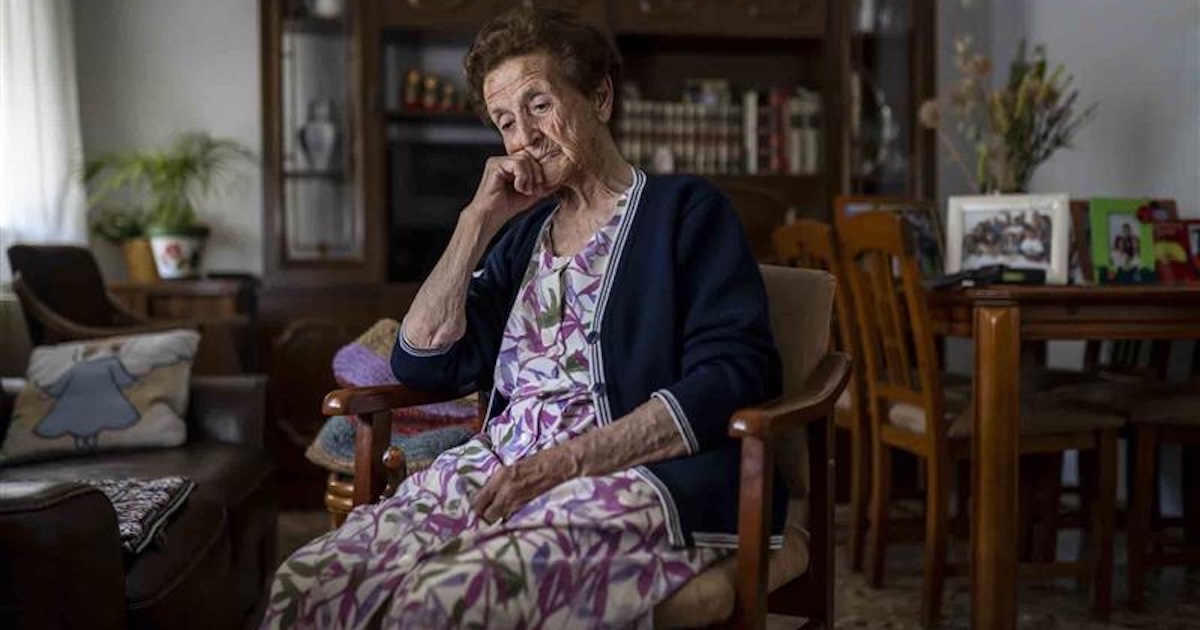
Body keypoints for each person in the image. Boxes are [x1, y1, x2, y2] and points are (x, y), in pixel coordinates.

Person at [260, 7, 782, 629]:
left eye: (538, 105)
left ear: (600, 96)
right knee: (307, 581)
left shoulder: (684, 213)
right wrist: (475, 222)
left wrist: (565, 463)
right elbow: (420, 362)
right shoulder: (522, 235)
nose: (524, 136)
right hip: (498, 465)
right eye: (506, 122)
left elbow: (737, 372)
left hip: (631, 473)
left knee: (440, 600)